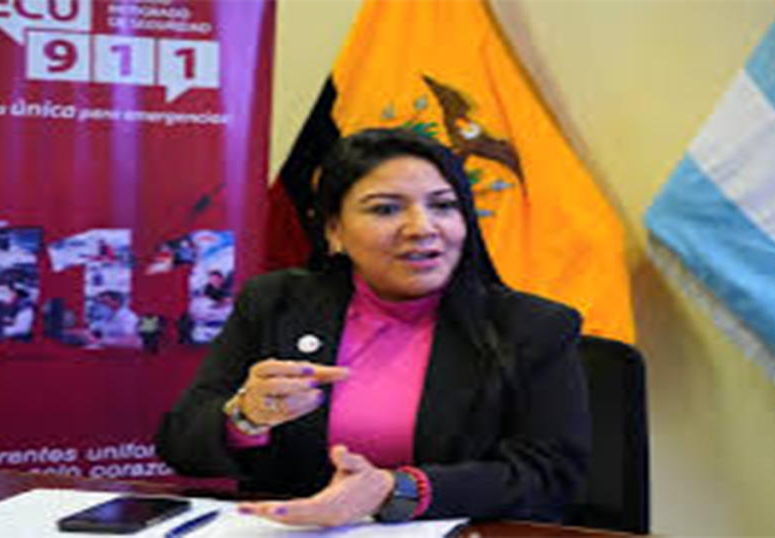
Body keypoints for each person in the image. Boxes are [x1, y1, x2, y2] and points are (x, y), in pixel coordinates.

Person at [155, 128, 590, 526]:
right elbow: (179, 446)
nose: (422, 228)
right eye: (385, 209)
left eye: (443, 206)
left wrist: (394, 490)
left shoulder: (532, 327)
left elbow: (549, 476)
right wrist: (246, 416)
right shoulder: (275, 303)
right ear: (334, 230)